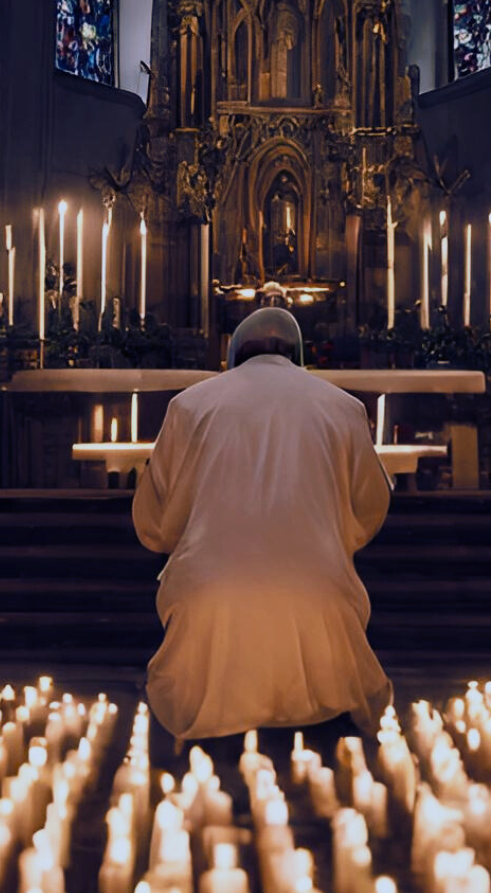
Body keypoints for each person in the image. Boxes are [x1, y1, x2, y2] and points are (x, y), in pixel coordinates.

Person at [133, 307, 394, 750]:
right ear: (299, 354)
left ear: (234, 352)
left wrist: (185, 539)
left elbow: (155, 519)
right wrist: (328, 539)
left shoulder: (190, 405)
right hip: (319, 588)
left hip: (209, 589)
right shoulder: (343, 408)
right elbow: (370, 506)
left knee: (201, 593)